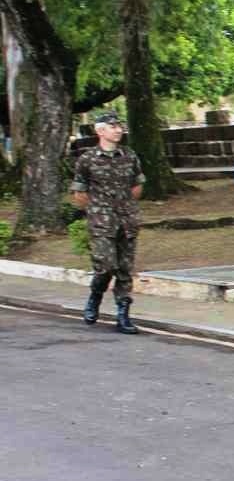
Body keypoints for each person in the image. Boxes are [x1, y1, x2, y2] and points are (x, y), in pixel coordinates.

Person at [71, 112, 145, 335]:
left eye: (119, 125)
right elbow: (79, 192)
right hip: (101, 222)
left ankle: (123, 315)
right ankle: (95, 296)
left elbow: (137, 185)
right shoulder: (88, 159)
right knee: (105, 266)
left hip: (127, 219)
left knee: (124, 269)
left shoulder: (129, 156)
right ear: (100, 131)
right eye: (113, 126)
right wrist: (97, 210)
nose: (118, 129)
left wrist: (125, 205)